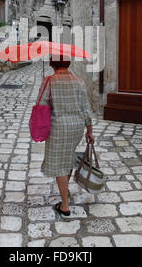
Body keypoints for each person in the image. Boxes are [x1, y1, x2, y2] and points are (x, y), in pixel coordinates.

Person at [36, 55, 94, 217]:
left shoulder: (49, 81)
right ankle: (64, 191)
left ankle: (65, 205)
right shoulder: (79, 81)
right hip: (76, 128)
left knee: (59, 164)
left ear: (52, 63)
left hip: (58, 128)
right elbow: (86, 109)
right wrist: (89, 131)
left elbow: (41, 105)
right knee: (67, 158)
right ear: (67, 63)